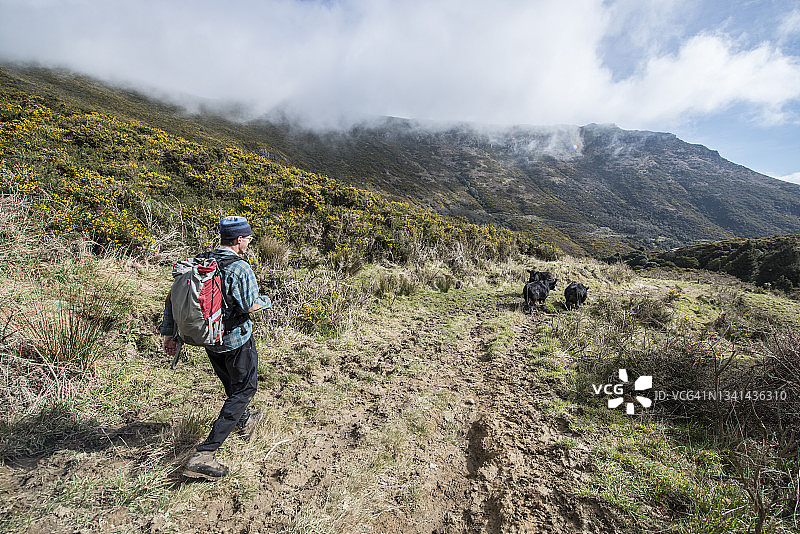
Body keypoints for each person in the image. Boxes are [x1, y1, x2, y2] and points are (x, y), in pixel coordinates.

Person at [160, 216, 271, 480]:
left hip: (210, 339)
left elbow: (173, 299)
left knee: (232, 385)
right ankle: (205, 453)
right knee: (244, 389)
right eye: (248, 238)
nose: (249, 242)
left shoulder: (201, 261)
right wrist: (266, 300)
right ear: (239, 239)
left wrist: (169, 333)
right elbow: (249, 305)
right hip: (236, 340)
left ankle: (244, 420)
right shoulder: (240, 268)